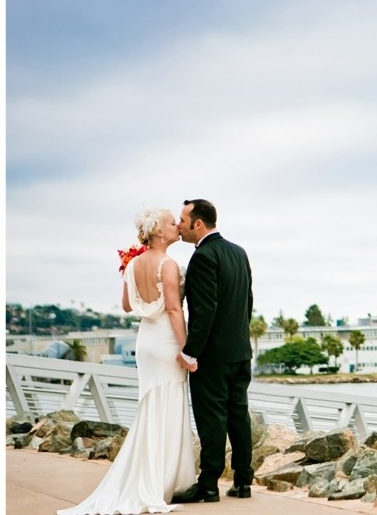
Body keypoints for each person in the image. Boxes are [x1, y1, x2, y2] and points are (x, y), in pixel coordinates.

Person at [58, 208, 196, 515]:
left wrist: (147, 302)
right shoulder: (169, 264)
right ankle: (161, 482)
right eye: (171, 222)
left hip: (145, 341)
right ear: (159, 232)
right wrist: (186, 350)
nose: (176, 225)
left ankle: (150, 478)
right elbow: (174, 310)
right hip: (167, 340)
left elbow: (125, 306)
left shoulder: (133, 263)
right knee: (168, 405)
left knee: (150, 407)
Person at [171, 198, 254, 504]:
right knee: (238, 415)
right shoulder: (238, 252)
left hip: (213, 356)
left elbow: (204, 311)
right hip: (240, 351)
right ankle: (244, 481)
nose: (179, 225)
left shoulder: (204, 256)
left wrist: (190, 353)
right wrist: (239, 338)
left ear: (198, 224)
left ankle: (208, 485)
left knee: (212, 420)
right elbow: (248, 301)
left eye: (182, 219)